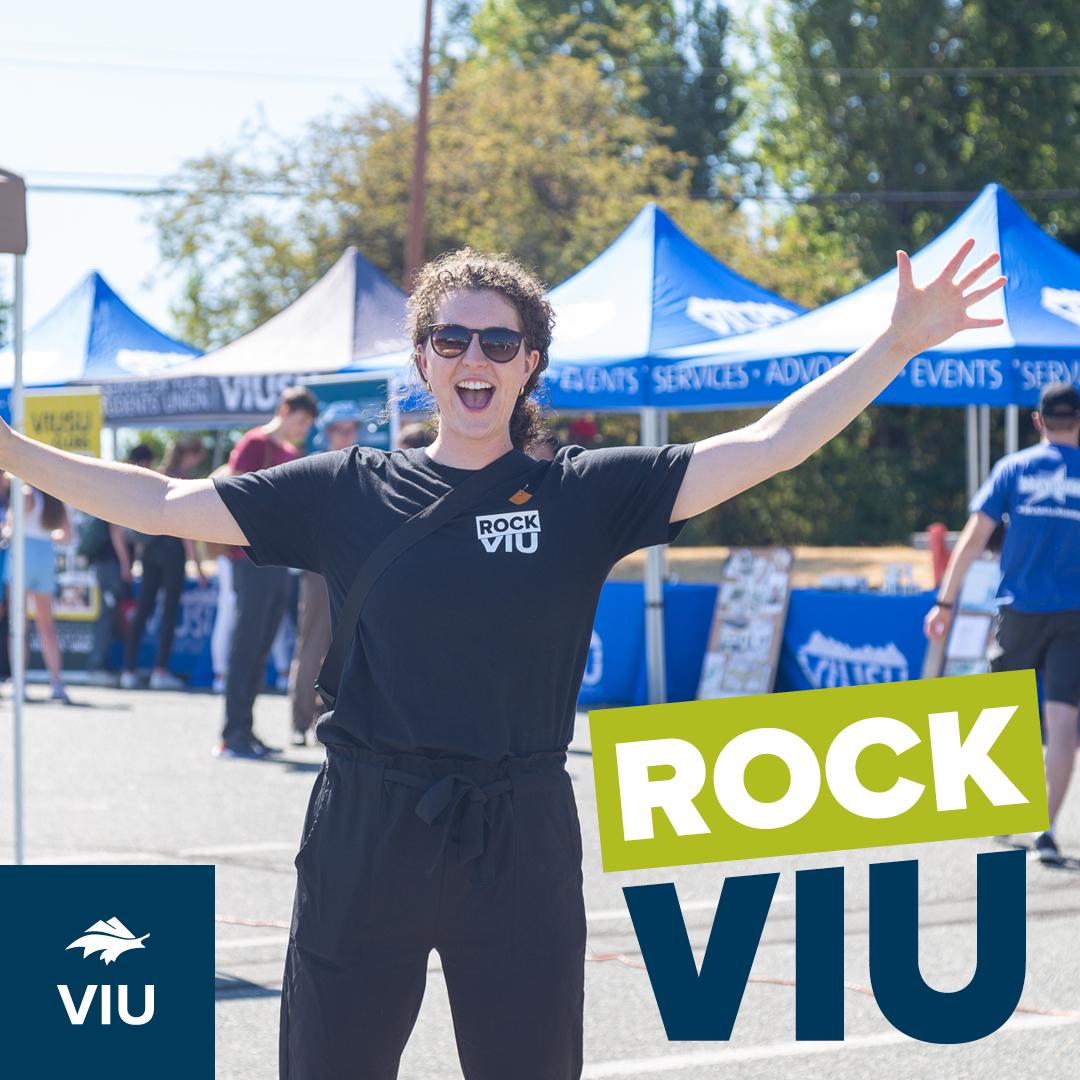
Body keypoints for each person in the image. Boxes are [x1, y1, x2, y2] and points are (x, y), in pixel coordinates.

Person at [0, 239, 1002, 1078]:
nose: (474, 355)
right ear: (423, 361)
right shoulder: (344, 489)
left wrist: (896, 343)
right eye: (452, 338)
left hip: (518, 831)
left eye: (499, 340)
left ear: (530, 364)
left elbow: (772, 443)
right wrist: (12, 447)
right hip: (367, 823)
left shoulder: (583, 493)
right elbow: (162, 506)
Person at [925, 381, 1080, 865]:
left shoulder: (1013, 468)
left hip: (1018, 610)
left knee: (1002, 713)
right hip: (1074, 615)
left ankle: (1005, 807)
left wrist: (945, 603)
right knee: (1062, 724)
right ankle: (1047, 830)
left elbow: (972, 540)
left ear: (1037, 421)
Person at [217, 386, 318, 757]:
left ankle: (246, 728)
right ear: (285, 410)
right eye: (302, 419)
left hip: (278, 563)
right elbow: (234, 498)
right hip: (248, 560)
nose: (303, 429)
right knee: (246, 646)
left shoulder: (292, 453)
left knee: (261, 648)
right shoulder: (253, 443)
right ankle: (231, 733)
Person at [287, 401, 364, 747]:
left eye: (352, 428)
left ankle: (329, 720)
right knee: (312, 645)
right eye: (339, 429)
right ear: (328, 433)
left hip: (356, 571)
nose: (347, 435)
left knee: (345, 648)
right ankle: (300, 720)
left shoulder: (367, 467)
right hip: (318, 569)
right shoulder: (314, 468)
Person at [121, 436, 207, 690]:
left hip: (149, 550)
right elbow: (186, 530)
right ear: (189, 455)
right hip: (172, 551)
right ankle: (159, 671)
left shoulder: (157, 476)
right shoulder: (185, 481)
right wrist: (198, 566)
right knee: (169, 611)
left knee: (143, 609)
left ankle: (128, 669)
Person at [4, 487, 72, 704]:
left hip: (23, 554)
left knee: (18, 627)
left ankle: (19, 684)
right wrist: (44, 535)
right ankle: (57, 683)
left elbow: (10, 530)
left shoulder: (24, 493)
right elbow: (67, 536)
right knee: (47, 627)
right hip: (45, 556)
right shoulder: (55, 498)